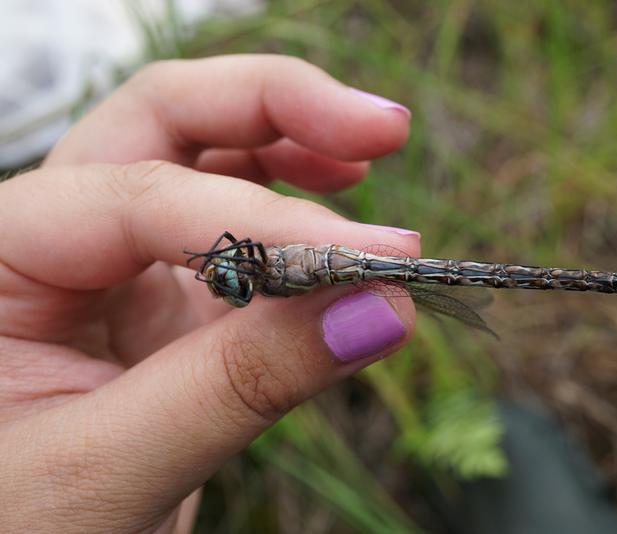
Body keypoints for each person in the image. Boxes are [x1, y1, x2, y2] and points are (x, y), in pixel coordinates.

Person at [0, 54, 418, 532]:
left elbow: (234, 254)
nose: (224, 274)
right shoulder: (242, 271)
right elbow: (236, 275)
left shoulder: (244, 258)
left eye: (226, 272)